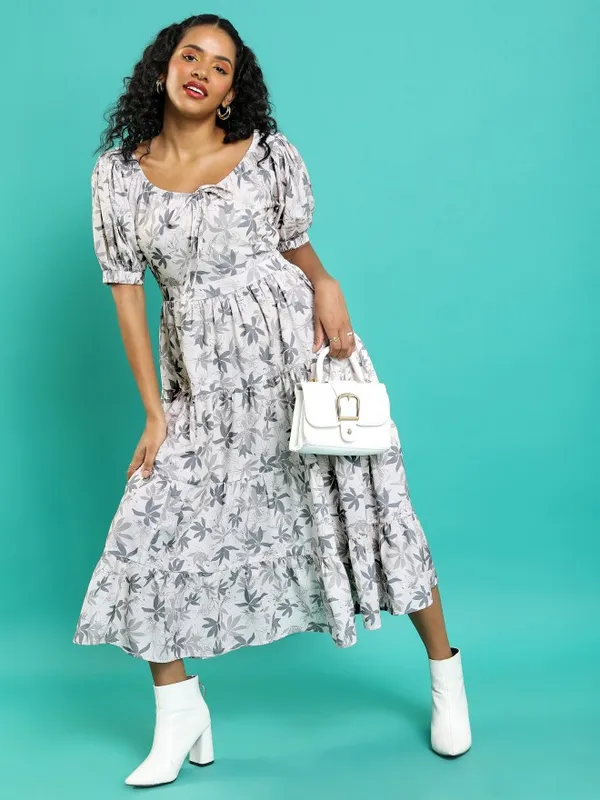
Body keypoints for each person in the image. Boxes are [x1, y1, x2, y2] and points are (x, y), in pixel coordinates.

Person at [73, 13, 472, 788]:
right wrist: (154, 413)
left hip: (300, 363)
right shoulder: (117, 176)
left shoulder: (263, 154)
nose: (201, 71)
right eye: (190, 55)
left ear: (230, 90)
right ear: (162, 68)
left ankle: (446, 673)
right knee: (149, 531)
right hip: (205, 386)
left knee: (374, 513)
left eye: (220, 66)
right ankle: (179, 711)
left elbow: (296, 245)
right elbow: (126, 295)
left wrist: (327, 282)